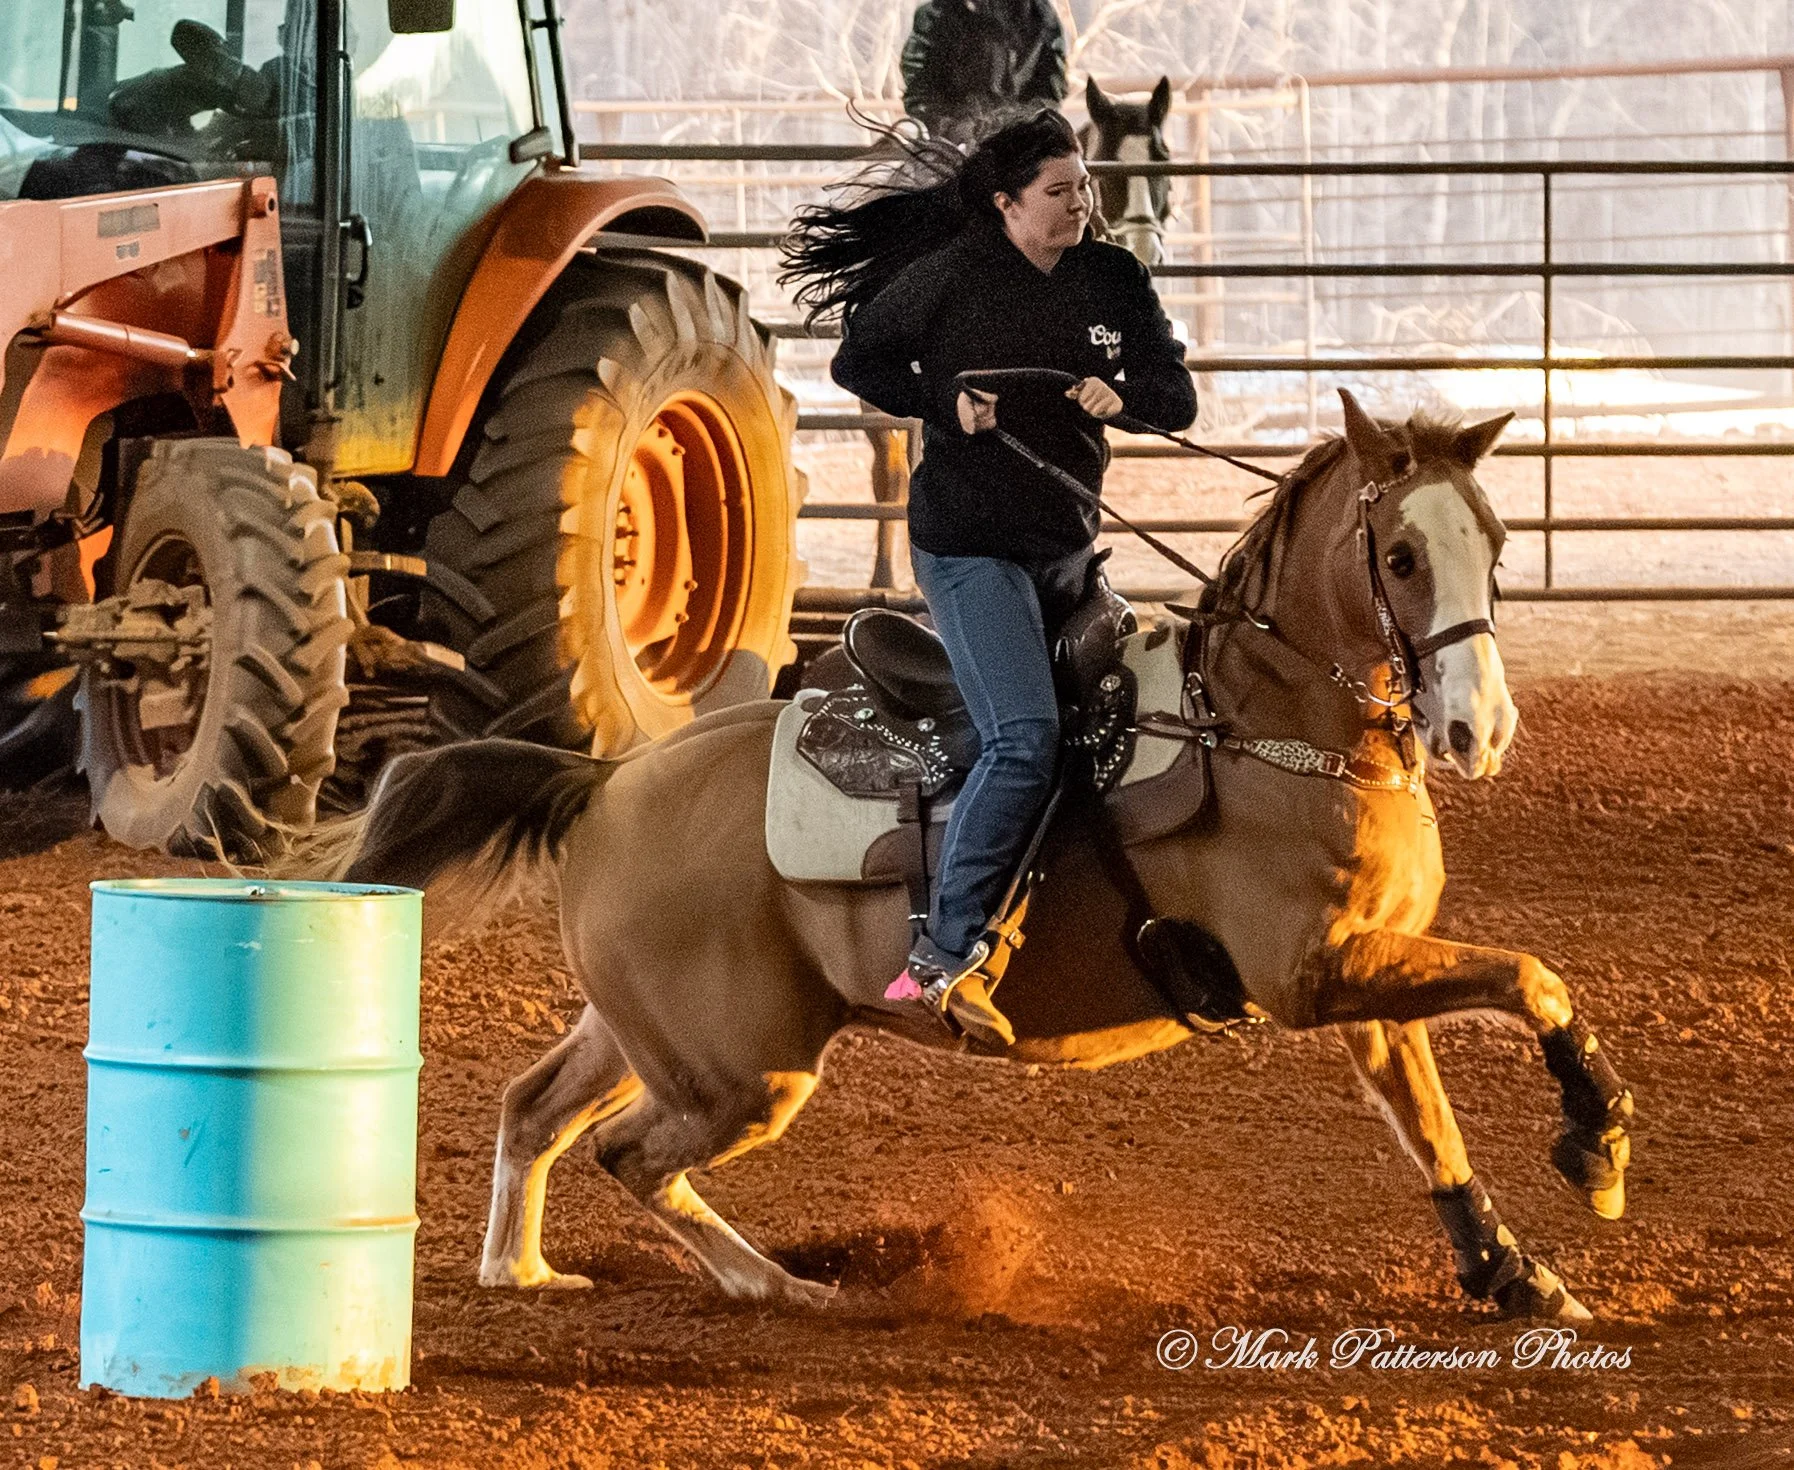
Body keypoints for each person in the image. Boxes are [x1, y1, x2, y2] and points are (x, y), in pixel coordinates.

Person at [781, 109, 1196, 1045]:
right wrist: (942, 399)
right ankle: (941, 955)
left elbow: (1177, 397)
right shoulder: (949, 279)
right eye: (1060, 193)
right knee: (1025, 740)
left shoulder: (1113, 278)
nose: (1081, 205)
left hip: (1066, 544)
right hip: (968, 548)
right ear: (1007, 205)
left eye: (1084, 187)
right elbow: (859, 360)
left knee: (1111, 728)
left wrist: (1122, 397)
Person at [900, 0, 1067, 145]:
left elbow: (1050, 91)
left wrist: (1018, 122)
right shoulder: (936, 15)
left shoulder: (1041, 17)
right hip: (952, 143)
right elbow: (919, 89)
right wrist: (952, 126)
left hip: (1019, 142)